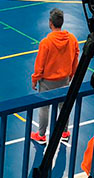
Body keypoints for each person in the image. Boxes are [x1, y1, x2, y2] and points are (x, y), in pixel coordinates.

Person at [31, 8, 80, 144]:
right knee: (63, 106)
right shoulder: (72, 39)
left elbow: (40, 64)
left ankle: (41, 135)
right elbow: (76, 58)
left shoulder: (46, 42)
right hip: (64, 79)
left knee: (44, 107)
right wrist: (72, 74)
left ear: (50, 23)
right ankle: (64, 132)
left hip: (47, 81)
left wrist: (35, 79)